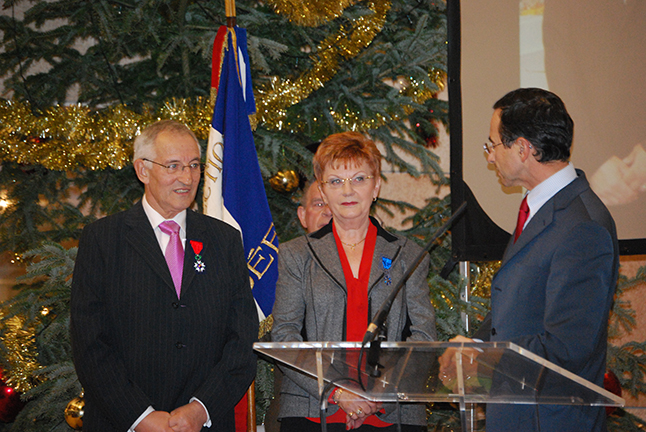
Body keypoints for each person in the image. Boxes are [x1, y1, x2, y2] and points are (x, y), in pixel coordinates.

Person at [440, 88, 619, 431]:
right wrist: (476, 343)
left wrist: (482, 358)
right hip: (517, 413)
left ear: (522, 149)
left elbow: (568, 347)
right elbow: (519, 301)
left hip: (549, 420)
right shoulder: (542, 209)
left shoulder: (583, 226)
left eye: (492, 145)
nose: (489, 157)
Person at [70, 120, 259, 432]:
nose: (187, 177)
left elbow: (242, 338)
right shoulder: (103, 239)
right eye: (173, 166)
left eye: (194, 165)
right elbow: (90, 344)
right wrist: (140, 417)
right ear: (143, 170)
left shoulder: (224, 240)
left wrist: (201, 409)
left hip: (204, 423)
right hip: (122, 422)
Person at [271, 131, 437, 432]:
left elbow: (422, 336)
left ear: (376, 186)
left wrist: (377, 392)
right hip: (313, 411)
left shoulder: (408, 255)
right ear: (322, 188)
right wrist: (338, 393)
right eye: (335, 181)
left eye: (359, 179)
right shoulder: (296, 255)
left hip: (392, 413)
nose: (347, 191)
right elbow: (285, 337)